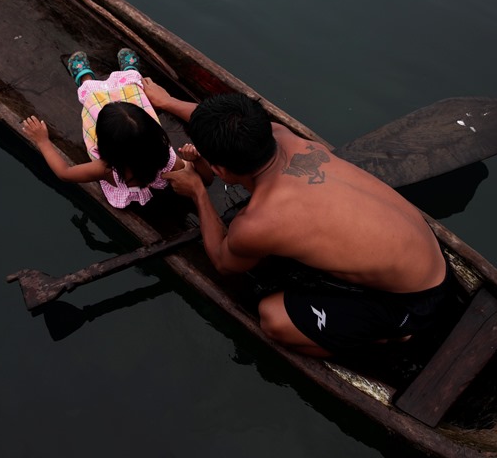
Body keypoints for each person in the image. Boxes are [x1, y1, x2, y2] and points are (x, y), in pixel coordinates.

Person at [142, 80, 453, 357]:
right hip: (430, 256)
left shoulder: (258, 224)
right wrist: (167, 101)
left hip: (413, 303)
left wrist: (197, 191)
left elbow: (224, 262)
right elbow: (231, 123)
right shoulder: (281, 135)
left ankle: (383, 337)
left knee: (273, 318)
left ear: (220, 171)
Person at [21, 48, 211, 208]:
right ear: (156, 135)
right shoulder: (166, 158)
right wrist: (197, 160)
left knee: (93, 98)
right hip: (145, 144)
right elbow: (204, 179)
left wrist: (42, 141)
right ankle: (129, 71)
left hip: (118, 152)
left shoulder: (106, 169)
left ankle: (86, 77)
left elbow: (65, 173)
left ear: (104, 146)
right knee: (133, 93)